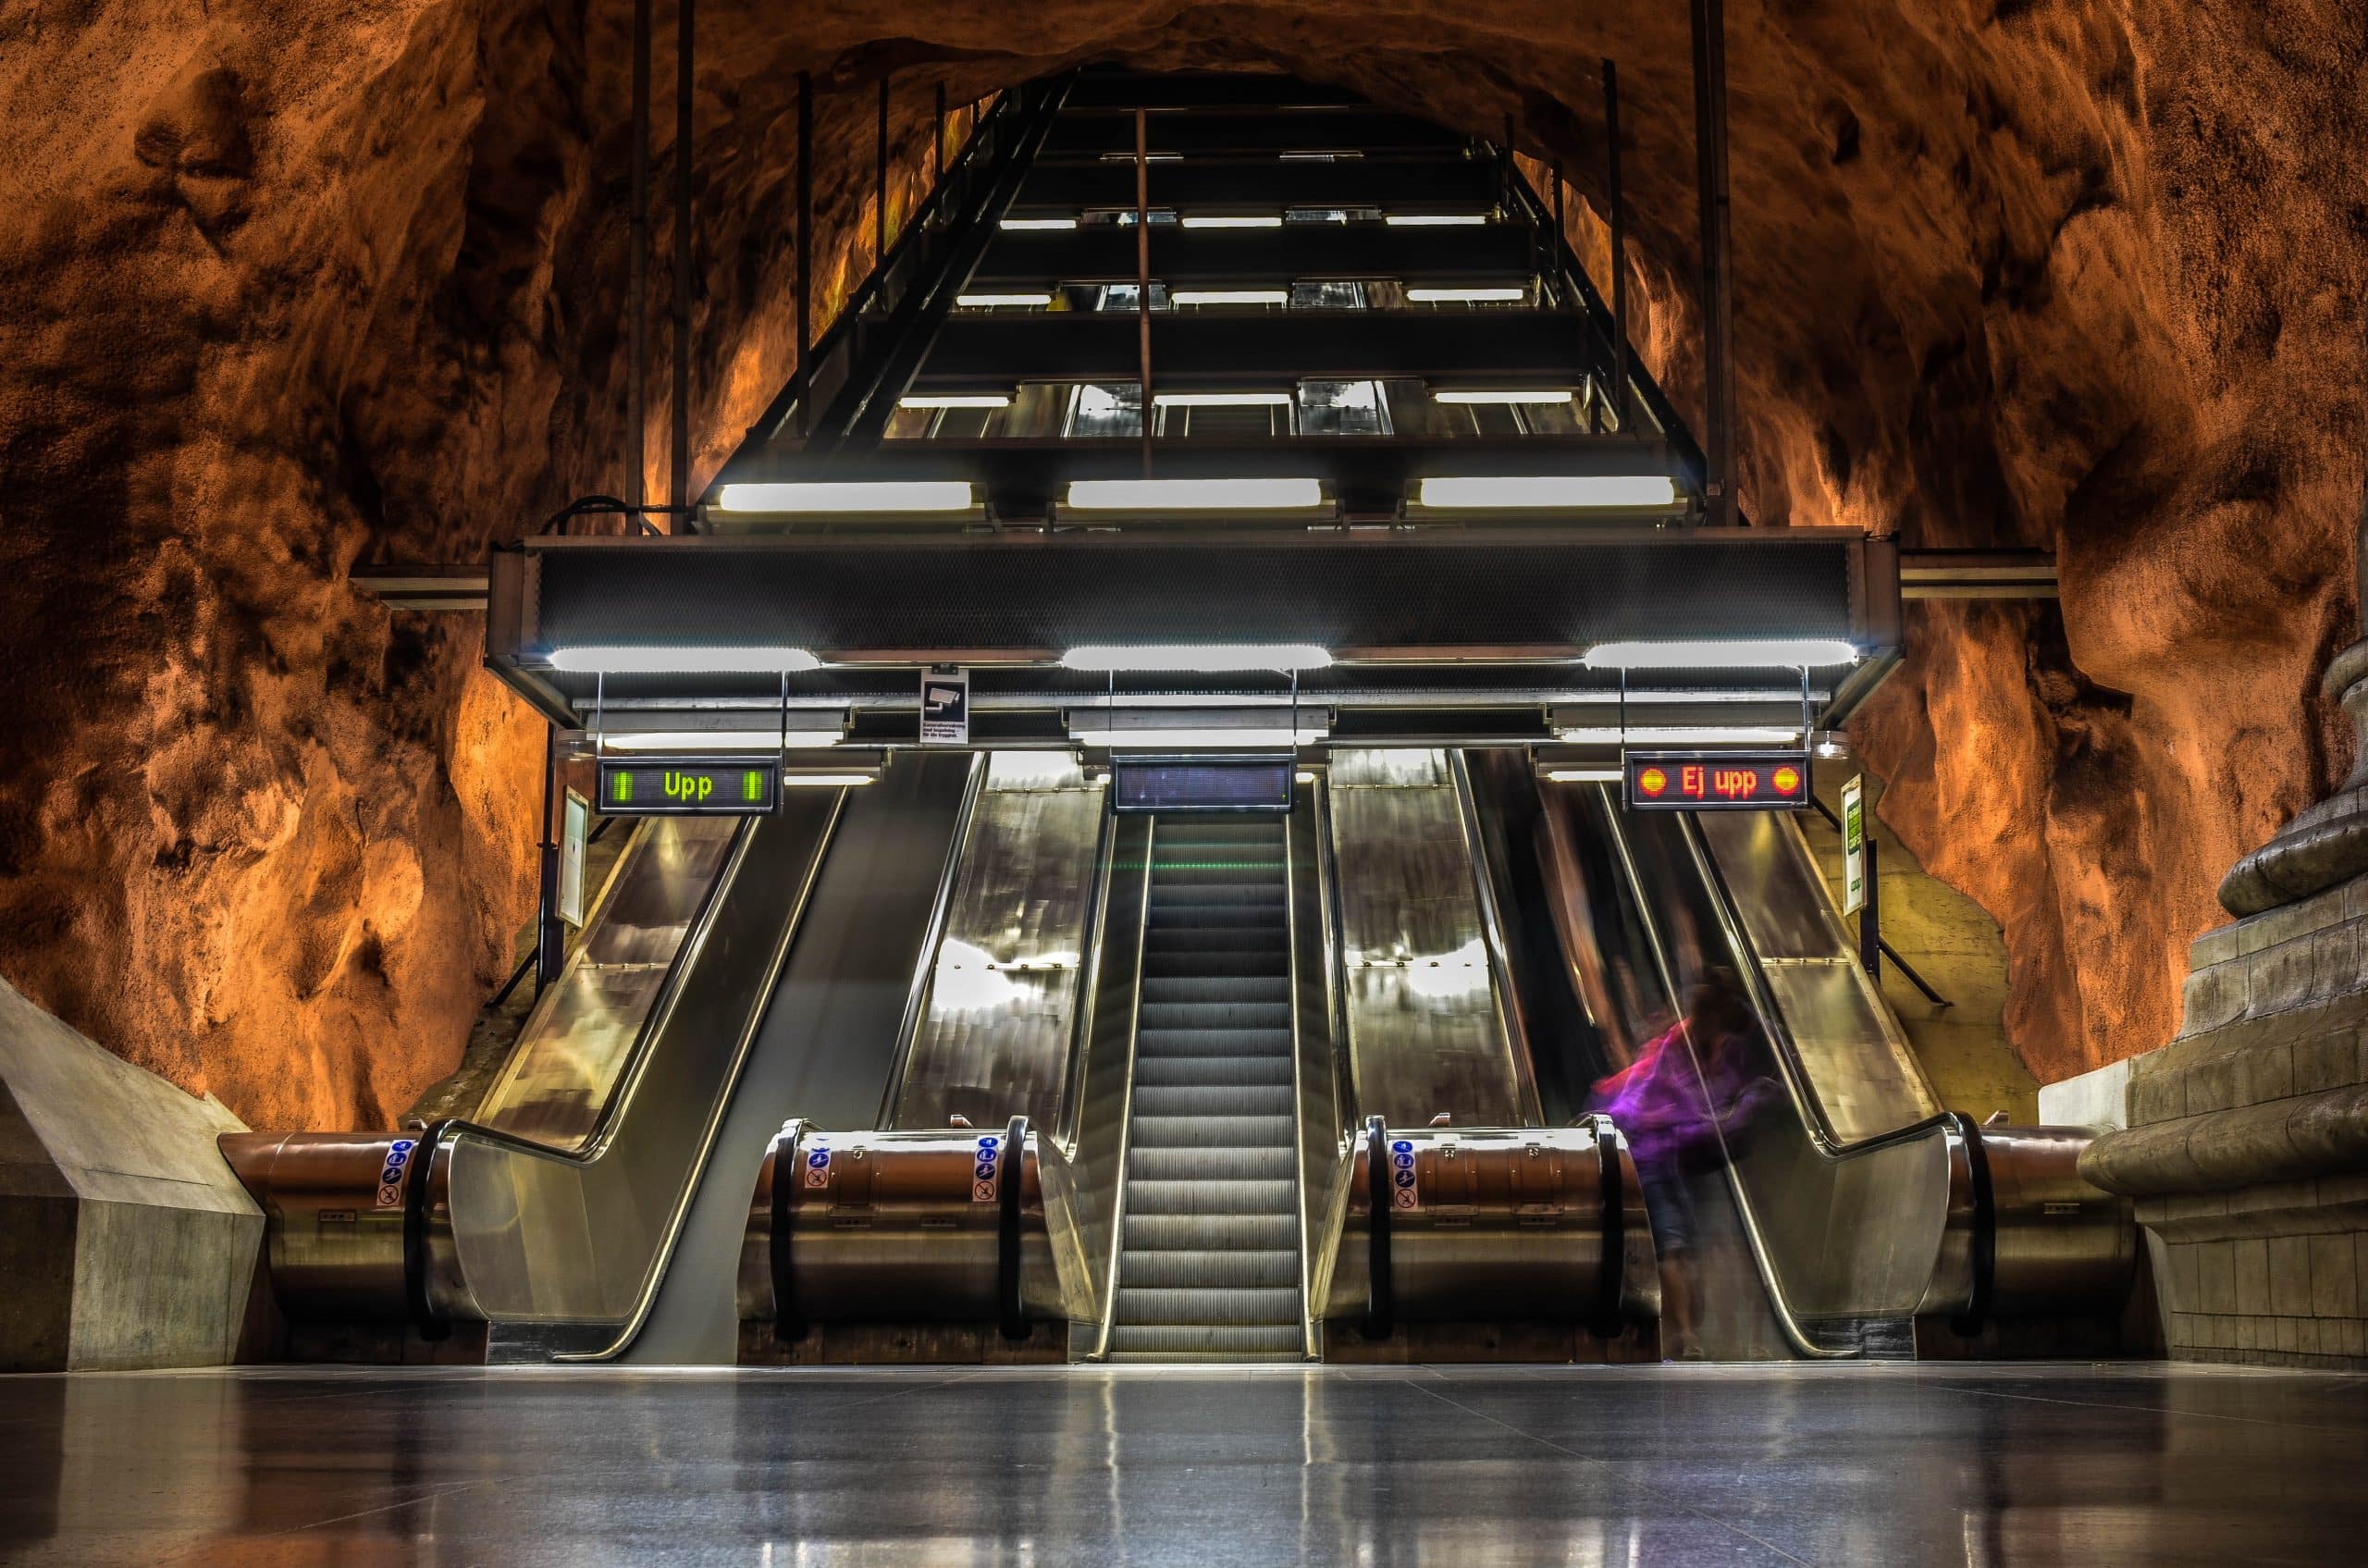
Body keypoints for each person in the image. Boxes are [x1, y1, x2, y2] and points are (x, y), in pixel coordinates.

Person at [1591, 969, 1767, 1360]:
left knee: (1697, 1242)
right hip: (1650, 1155)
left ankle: (1695, 1328)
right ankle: (1686, 1335)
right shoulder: (1673, 1047)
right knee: (1673, 1242)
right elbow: (1655, 1104)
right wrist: (1737, 1111)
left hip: (1686, 1159)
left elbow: (1707, 1106)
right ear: (1711, 1013)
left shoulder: (1716, 1046)